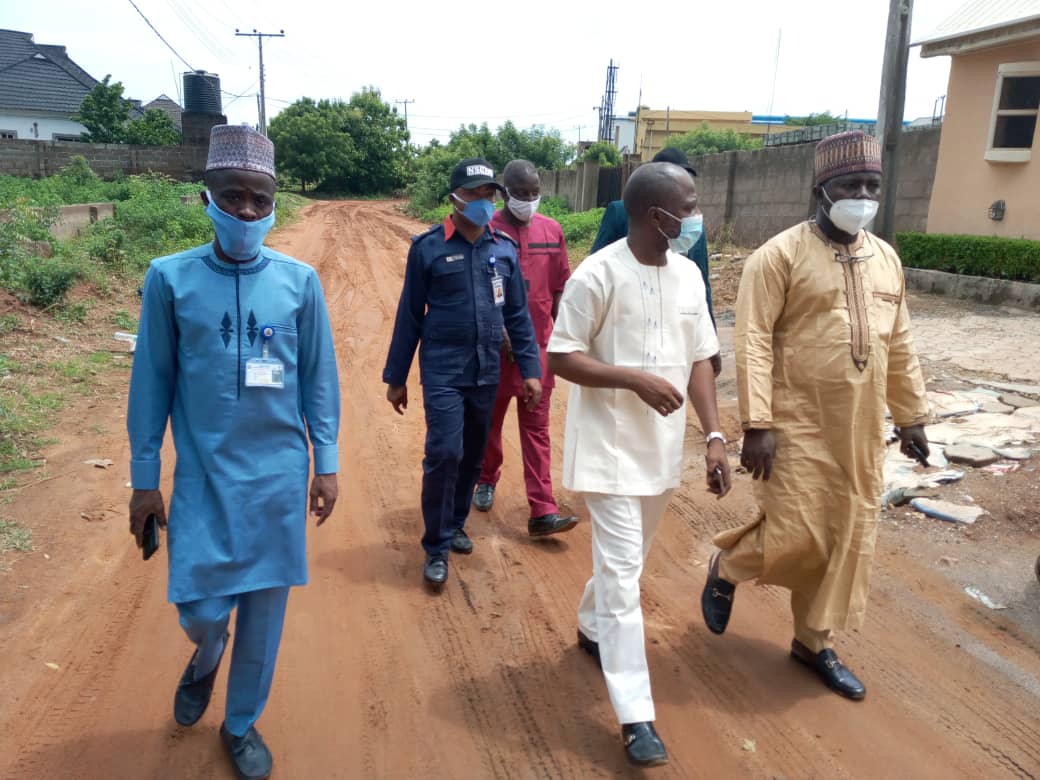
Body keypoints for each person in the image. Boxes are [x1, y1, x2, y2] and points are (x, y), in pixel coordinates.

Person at [127, 124, 340, 780]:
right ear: (207, 199)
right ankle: (205, 653)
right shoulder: (170, 280)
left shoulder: (299, 283)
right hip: (204, 478)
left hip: (277, 476)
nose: (247, 211)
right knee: (201, 609)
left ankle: (241, 722)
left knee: (265, 621)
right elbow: (152, 382)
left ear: (275, 201)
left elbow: (318, 376)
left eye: (259, 197)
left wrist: (325, 460)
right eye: (233, 196)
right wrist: (142, 477)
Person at [701, 130, 930, 701]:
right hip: (794, 421)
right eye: (851, 184)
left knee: (847, 532)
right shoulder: (778, 255)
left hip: (859, 425)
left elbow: (898, 342)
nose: (863, 195)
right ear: (822, 188)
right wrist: (757, 425)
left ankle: (813, 641)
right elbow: (751, 340)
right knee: (799, 529)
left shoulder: (886, 260)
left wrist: (911, 415)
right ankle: (728, 567)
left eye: (872, 185)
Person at [548, 162, 731, 767]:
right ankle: (636, 717)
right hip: (608, 450)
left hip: (660, 453)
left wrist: (714, 436)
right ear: (659, 215)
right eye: (691, 205)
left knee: (625, 563)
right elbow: (560, 357)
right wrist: (631, 379)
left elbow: (702, 358)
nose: (697, 216)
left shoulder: (687, 277)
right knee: (626, 580)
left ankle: (589, 625)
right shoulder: (596, 275)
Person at [383, 157, 542, 589]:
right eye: (474, 194)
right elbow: (409, 315)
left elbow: (519, 318)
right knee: (444, 452)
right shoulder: (429, 248)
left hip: (486, 371)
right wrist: (396, 376)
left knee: (473, 455)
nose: (484, 202)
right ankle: (435, 546)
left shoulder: (503, 250)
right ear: (454, 198)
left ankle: (454, 523)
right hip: (442, 372)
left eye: (489, 194)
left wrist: (531, 368)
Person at [471, 160, 578, 538]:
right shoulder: (487, 231)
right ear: (505, 192)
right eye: (521, 194)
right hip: (495, 350)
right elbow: (481, 290)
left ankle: (543, 509)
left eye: (535, 194)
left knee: (537, 430)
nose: (529, 201)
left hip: (538, 351)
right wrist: (500, 335)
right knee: (489, 422)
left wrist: (558, 335)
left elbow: (561, 286)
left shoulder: (552, 231)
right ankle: (486, 477)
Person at [591, 147, 721, 376]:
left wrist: (710, 339)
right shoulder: (623, 212)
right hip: (628, 321)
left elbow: (703, 284)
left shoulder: (691, 224)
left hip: (674, 321)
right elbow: (597, 262)